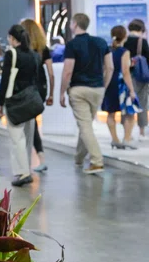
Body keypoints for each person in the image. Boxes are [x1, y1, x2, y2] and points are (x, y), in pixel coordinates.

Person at [59, 13, 111, 174]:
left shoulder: (72, 45)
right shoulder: (101, 43)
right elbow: (110, 68)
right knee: (85, 124)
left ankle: (96, 161)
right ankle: (79, 158)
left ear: (75, 24)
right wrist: (104, 85)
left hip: (79, 90)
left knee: (85, 125)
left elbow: (68, 71)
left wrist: (62, 92)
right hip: (97, 89)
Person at [0, 25, 42, 187]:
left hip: (14, 101)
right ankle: (27, 169)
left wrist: (0, 102)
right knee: (28, 137)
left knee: (17, 138)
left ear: (12, 38)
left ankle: (23, 172)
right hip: (30, 100)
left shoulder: (12, 54)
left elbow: (6, 79)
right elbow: (39, 78)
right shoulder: (34, 55)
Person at [21, 19, 54, 173]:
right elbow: (51, 73)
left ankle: (29, 161)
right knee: (32, 123)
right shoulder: (43, 49)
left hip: (27, 88)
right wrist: (51, 93)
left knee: (28, 125)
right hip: (41, 88)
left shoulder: (23, 50)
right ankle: (39, 158)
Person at [103, 25, 141, 150]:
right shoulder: (124, 52)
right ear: (124, 36)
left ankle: (115, 139)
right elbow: (125, 72)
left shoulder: (108, 50)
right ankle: (127, 138)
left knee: (111, 113)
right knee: (130, 112)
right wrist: (131, 89)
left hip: (109, 83)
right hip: (121, 85)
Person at [123, 19, 149, 140]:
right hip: (140, 77)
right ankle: (142, 131)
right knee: (142, 103)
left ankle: (127, 132)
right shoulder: (142, 41)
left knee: (127, 102)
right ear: (141, 29)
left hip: (126, 74)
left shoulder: (124, 41)